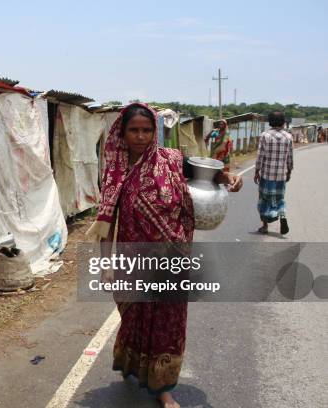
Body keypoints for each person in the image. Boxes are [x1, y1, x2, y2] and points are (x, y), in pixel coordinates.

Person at [87, 103, 242, 408]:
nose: (141, 136)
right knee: (134, 318)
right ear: (123, 131)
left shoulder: (171, 160)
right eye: (134, 130)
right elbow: (107, 223)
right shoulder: (115, 171)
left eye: (147, 130)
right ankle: (131, 364)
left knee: (166, 325)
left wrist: (230, 179)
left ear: (154, 131)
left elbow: (210, 175)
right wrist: (106, 265)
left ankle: (163, 387)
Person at [254, 111, 293, 235]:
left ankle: (265, 226)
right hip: (281, 176)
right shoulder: (288, 137)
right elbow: (290, 158)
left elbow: (260, 156)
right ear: (283, 122)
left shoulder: (265, 135)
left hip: (266, 175)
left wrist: (256, 171)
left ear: (270, 121)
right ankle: (282, 215)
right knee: (279, 198)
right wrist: (289, 172)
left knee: (263, 199)